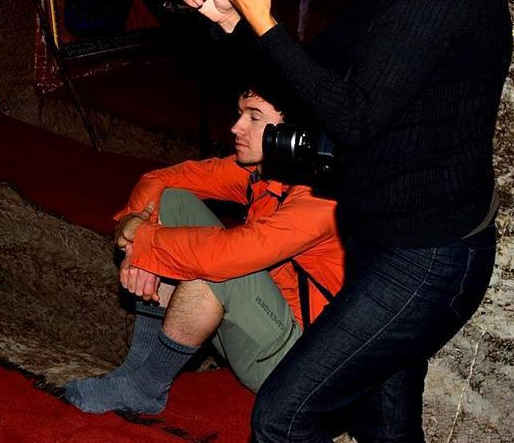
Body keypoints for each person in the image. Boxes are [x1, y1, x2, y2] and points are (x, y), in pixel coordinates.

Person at [188, 0, 511, 442]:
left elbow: (354, 117)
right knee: (383, 428)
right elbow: (316, 77)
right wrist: (237, 24)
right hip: (390, 242)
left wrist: (264, 22)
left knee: (283, 418)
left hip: (425, 259)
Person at [64, 83, 344, 415]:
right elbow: (161, 180)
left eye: (254, 117)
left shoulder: (319, 201)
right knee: (173, 202)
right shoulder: (260, 172)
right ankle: (136, 367)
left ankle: (146, 387)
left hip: (297, 365)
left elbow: (223, 256)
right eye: (239, 114)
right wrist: (135, 229)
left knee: (211, 265)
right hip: (261, 324)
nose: (236, 127)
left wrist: (143, 238)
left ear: (293, 133)